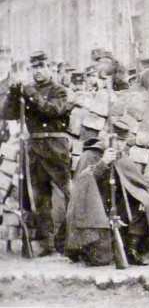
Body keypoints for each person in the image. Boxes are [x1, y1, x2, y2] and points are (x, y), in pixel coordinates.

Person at [0, 51, 74, 255]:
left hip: (55, 146)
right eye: (34, 68)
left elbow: (52, 110)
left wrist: (31, 93)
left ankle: (71, 239)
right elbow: (6, 114)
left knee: (69, 192)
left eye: (42, 67)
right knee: (40, 198)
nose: (38, 71)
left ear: (49, 68)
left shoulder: (60, 90)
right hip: (33, 147)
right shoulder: (27, 92)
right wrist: (14, 94)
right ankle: (48, 244)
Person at [65, 129, 149, 266]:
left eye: (122, 141)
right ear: (106, 137)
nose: (119, 144)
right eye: (115, 139)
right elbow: (82, 188)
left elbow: (136, 184)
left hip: (117, 212)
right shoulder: (90, 155)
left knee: (144, 202)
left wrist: (140, 198)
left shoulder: (123, 158)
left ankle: (131, 250)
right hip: (95, 213)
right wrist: (103, 164)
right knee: (101, 259)